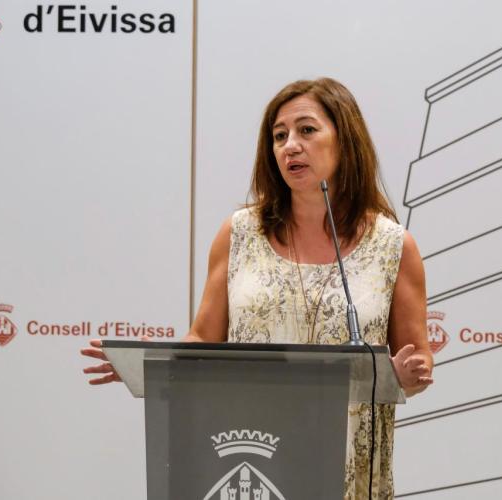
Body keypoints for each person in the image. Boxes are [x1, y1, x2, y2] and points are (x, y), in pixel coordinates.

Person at [82, 77, 433, 499]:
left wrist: (402, 375)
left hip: (347, 468)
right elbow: (203, 340)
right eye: (279, 136)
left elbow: (416, 363)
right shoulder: (239, 234)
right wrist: (153, 363)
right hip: (251, 451)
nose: (290, 146)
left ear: (346, 140)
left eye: (307, 130)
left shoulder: (393, 246)